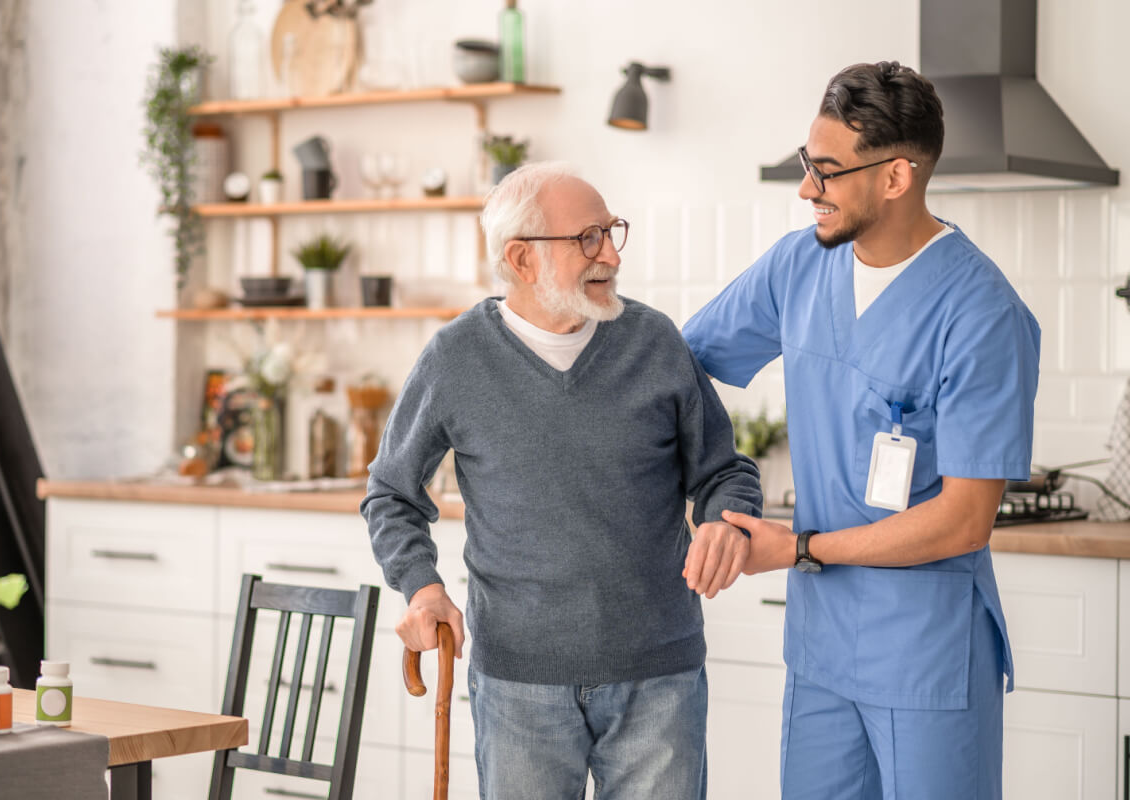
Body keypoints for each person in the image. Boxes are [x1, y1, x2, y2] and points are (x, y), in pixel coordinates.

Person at [683, 61, 1040, 799]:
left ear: (896, 177)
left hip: (926, 657)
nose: (808, 188)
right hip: (822, 653)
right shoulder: (797, 268)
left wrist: (801, 547)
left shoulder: (981, 314)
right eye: (807, 165)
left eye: (828, 171)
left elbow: (965, 520)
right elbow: (677, 366)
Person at [362, 161, 762, 800]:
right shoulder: (455, 357)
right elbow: (391, 494)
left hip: (660, 674)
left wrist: (724, 517)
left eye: (611, 232)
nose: (610, 254)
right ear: (521, 259)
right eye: (587, 238)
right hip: (519, 682)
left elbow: (724, 471)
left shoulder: (654, 341)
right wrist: (421, 586)